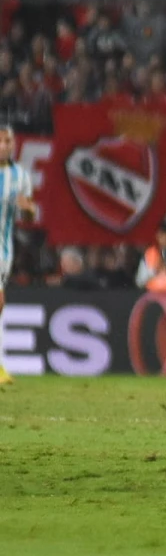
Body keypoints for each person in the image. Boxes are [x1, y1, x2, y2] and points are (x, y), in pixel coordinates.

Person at [0, 125, 35, 386]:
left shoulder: (20, 175)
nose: (4, 145)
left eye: (8, 141)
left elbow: (28, 212)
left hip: (3, 250)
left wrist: (28, 210)